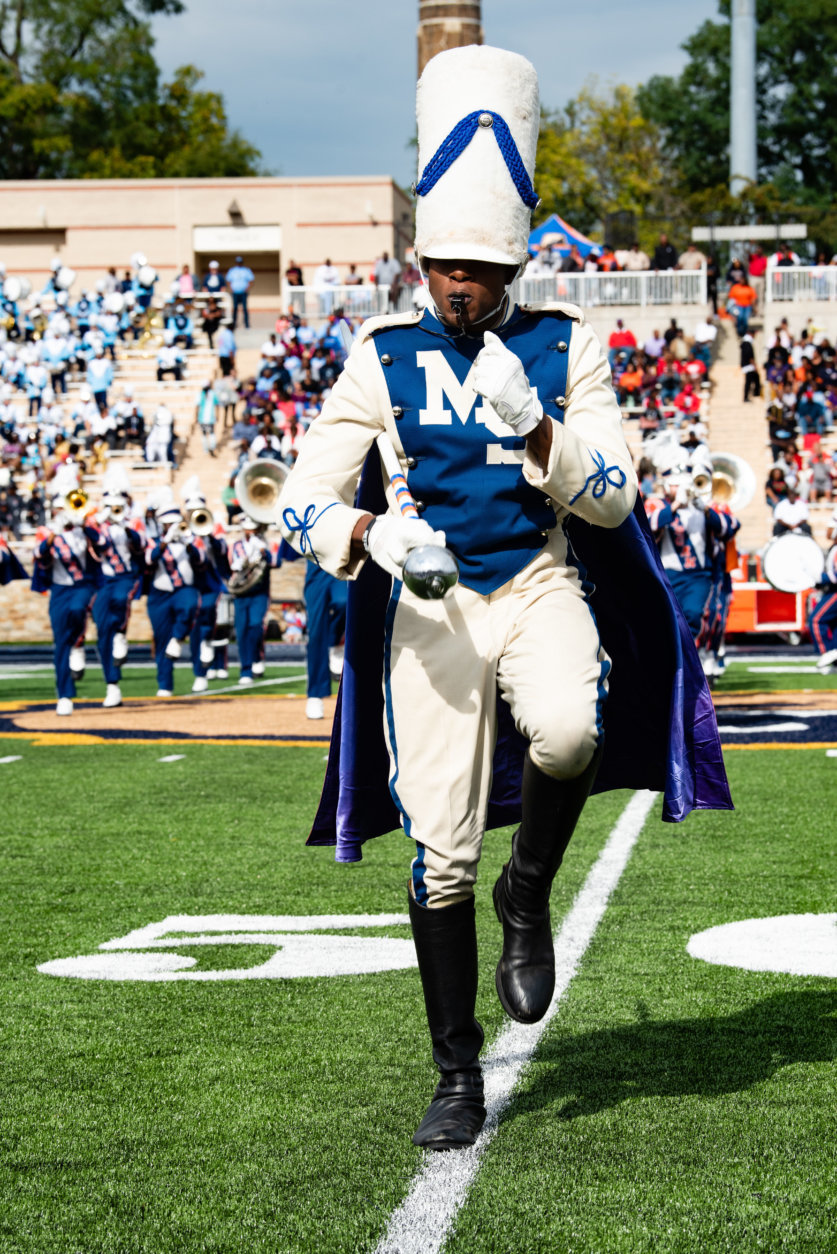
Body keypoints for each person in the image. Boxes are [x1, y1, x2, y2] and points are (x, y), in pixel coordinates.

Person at [276, 44, 731, 1152]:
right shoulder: (379, 354)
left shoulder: (564, 345)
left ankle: (528, 892)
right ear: (420, 260)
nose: (461, 283)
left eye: (480, 266)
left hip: (536, 577)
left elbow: (614, 499)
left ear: (513, 263)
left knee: (571, 732)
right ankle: (455, 1072)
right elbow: (300, 498)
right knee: (440, 853)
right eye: (446, 264)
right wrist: (375, 535)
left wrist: (538, 426)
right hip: (432, 606)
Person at [31, 466, 98, 715]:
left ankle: (78, 643)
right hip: (59, 589)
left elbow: (102, 545)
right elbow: (38, 555)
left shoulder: (84, 530)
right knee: (60, 642)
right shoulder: (46, 531)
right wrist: (53, 536)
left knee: (79, 610)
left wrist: (84, 525)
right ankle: (65, 694)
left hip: (82, 586)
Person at [226, 256, 255, 329]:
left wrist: (247, 289)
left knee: (244, 308)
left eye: (240, 262)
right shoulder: (232, 270)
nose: (239, 263)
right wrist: (231, 289)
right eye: (237, 262)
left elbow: (251, 281)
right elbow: (228, 281)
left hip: (243, 293)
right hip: (235, 293)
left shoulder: (246, 270)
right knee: (235, 308)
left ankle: (247, 324)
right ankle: (234, 324)